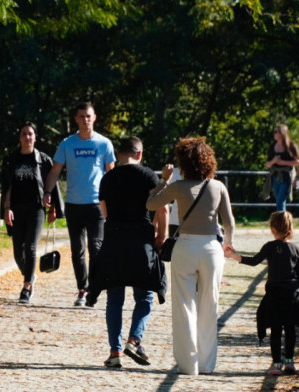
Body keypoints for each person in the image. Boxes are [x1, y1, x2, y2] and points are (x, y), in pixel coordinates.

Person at [146, 137, 235, 376]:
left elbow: (152, 203)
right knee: (210, 304)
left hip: (185, 247)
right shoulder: (218, 187)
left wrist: (164, 179)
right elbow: (229, 222)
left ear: (183, 163)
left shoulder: (178, 187)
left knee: (184, 305)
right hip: (211, 250)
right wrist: (228, 245)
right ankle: (207, 364)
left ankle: (188, 364)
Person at [86, 136, 169, 368]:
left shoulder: (107, 178)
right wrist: (160, 237)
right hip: (141, 242)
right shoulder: (149, 176)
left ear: (119, 154)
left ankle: (115, 352)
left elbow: (105, 213)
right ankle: (134, 339)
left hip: (114, 242)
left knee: (114, 299)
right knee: (144, 296)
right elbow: (162, 208)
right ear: (140, 154)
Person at [43, 102, 116, 306]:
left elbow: (111, 174)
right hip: (73, 204)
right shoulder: (67, 144)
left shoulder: (104, 144)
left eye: (88, 116)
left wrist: (113, 201)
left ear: (94, 118)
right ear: (76, 119)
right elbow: (55, 171)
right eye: (81, 116)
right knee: (77, 249)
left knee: (96, 246)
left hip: (96, 204)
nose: (85, 120)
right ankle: (82, 289)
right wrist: (47, 192)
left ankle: (94, 286)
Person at [224, 211, 299, 376]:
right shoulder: (296, 249)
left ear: (272, 228)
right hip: (292, 295)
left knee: (276, 330)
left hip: (274, 295)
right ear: (290, 227)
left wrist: (233, 256)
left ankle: (277, 363)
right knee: (290, 329)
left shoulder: (269, 247)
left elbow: (254, 261)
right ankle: (290, 362)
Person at [1, 123, 64, 304]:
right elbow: (6, 187)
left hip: (37, 209)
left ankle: (27, 286)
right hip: (16, 209)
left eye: (30, 134)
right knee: (17, 252)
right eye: (24, 134)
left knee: (30, 247)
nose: (27, 137)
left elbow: (52, 186)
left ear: (35, 137)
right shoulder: (10, 160)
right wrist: (6, 209)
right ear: (19, 137)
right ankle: (29, 274)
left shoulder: (43, 160)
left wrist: (53, 209)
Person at [261, 124, 299, 211]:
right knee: (278, 199)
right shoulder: (272, 147)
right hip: (275, 176)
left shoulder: (291, 146)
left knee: (280, 200)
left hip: (286, 176)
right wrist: (273, 161)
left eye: (276, 132)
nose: (274, 134)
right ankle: (282, 220)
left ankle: (281, 221)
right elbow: (268, 164)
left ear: (282, 133)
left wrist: (283, 163)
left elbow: (297, 161)